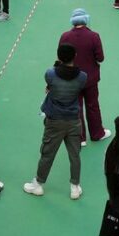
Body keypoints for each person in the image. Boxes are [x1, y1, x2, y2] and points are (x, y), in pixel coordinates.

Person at [23, 43, 87, 199]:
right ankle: (74, 187)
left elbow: (50, 84)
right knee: (75, 155)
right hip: (73, 121)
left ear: (59, 57)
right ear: (74, 57)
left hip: (55, 121)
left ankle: (38, 185)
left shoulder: (50, 74)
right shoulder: (82, 77)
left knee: (47, 154)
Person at [59, 9, 110, 145]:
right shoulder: (94, 36)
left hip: (72, 79)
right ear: (86, 19)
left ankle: (79, 137)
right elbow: (100, 58)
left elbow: (61, 57)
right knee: (93, 105)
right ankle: (97, 133)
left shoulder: (65, 36)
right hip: (90, 79)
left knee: (76, 107)